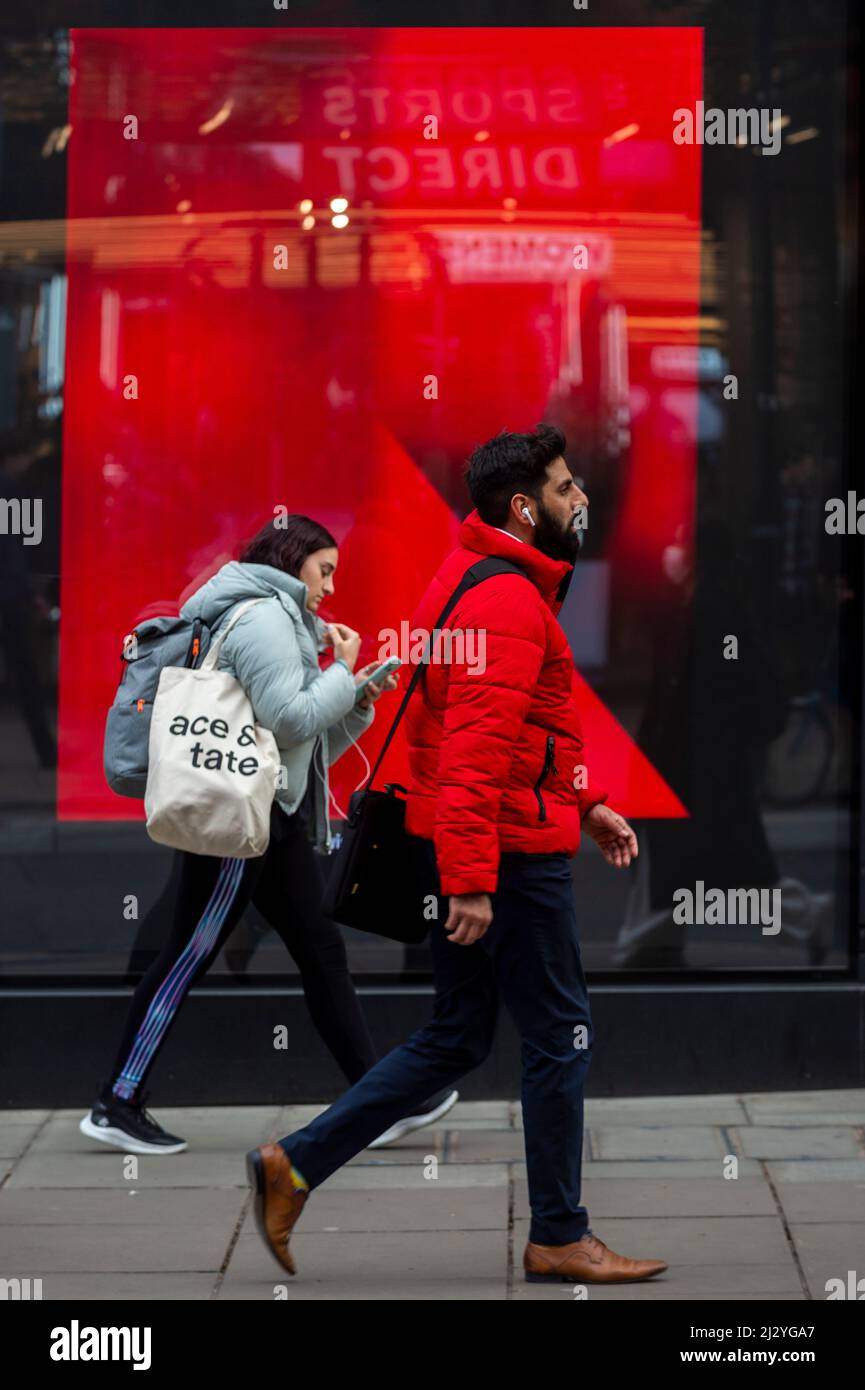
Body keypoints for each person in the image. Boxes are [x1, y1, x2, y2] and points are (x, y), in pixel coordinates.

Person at [245, 426, 668, 1285]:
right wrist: (472, 884)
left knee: (456, 1035)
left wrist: (585, 802)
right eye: (562, 487)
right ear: (523, 507)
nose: (578, 497)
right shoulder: (507, 601)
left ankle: (293, 1165)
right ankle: (558, 1233)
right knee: (558, 1036)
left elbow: (508, 732)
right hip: (508, 861)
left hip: (484, 842)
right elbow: (473, 752)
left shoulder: (470, 576)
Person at [80, 514, 457, 1154]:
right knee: (187, 955)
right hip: (236, 821)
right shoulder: (264, 619)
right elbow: (289, 716)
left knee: (321, 952)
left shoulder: (286, 622)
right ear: (293, 562)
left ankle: (375, 1102)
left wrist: (357, 695)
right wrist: (345, 667)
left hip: (270, 813)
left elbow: (305, 744)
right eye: (325, 571)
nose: (331, 587)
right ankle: (118, 1100)